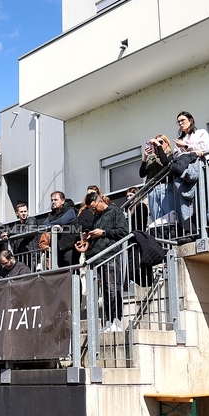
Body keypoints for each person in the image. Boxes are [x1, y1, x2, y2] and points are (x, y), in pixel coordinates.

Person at [83, 191, 130, 332]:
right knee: (105, 291)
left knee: (112, 288)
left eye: (94, 208)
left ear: (100, 201)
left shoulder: (115, 211)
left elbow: (124, 232)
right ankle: (109, 321)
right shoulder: (96, 218)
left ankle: (117, 320)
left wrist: (103, 232)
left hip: (111, 254)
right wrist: (89, 238)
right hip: (98, 257)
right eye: (91, 209)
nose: (93, 211)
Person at [173, 111, 209, 233]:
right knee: (189, 208)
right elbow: (177, 157)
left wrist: (185, 146)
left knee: (206, 208)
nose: (180, 123)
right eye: (178, 122)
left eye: (183, 120)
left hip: (202, 173)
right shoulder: (179, 140)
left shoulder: (201, 133)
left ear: (191, 120)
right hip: (186, 177)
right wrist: (193, 150)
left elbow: (204, 149)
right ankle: (198, 233)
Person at [139, 135, 176, 227]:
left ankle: (173, 236)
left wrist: (159, 146)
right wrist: (145, 158)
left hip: (166, 186)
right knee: (157, 218)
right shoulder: (151, 158)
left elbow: (166, 163)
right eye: (155, 144)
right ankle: (162, 238)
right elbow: (142, 174)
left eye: (161, 142)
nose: (157, 145)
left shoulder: (171, 155)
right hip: (152, 189)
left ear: (166, 143)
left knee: (169, 215)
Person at [45, 190, 78, 267]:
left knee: (72, 270)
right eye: (52, 200)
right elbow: (44, 225)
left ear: (62, 201)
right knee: (61, 274)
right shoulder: (51, 214)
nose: (53, 202)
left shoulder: (70, 210)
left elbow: (62, 221)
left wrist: (52, 224)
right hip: (57, 248)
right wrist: (54, 226)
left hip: (69, 247)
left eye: (55, 200)